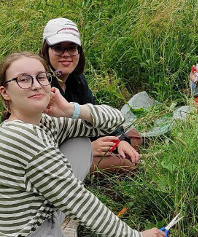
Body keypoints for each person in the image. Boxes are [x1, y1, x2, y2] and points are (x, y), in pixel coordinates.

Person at [0, 52, 165, 237]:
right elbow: (82, 204)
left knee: (79, 143)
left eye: (41, 77)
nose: (36, 85)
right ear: (5, 92)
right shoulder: (23, 140)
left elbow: (114, 121)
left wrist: (71, 109)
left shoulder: (40, 124)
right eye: (24, 80)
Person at [39, 17, 142, 173]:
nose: (66, 54)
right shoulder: (40, 85)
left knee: (133, 137)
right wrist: (88, 148)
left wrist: (119, 140)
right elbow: (38, 145)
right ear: (46, 50)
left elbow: (94, 115)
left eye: (72, 48)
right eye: (58, 48)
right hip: (57, 158)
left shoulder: (77, 80)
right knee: (125, 164)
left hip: (87, 136)